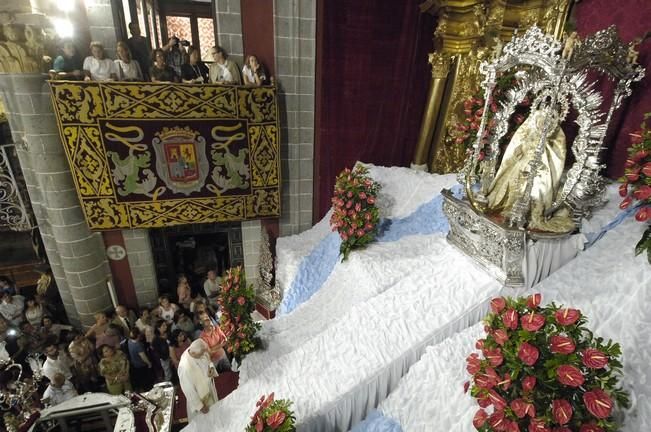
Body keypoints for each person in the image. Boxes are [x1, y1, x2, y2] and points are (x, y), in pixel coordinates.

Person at [486, 107, 574, 232]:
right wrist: (523, 149)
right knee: (513, 181)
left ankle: (529, 213)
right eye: (541, 122)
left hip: (542, 168)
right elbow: (519, 143)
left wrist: (544, 154)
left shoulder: (555, 135)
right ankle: (509, 206)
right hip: (524, 162)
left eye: (547, 123)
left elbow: (558, 154)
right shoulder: (530, 130)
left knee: (539, 188)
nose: (543, 125)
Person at [178, 339, 218, 421]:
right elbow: (188, 390)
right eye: (201, 354)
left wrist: (211, 367)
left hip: (209, 389)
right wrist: (200, 406)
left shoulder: (197, 348)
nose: (203, 354)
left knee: (214, 415)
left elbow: (207, 357)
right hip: (200, 397)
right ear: (193, 353)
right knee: (203, 421)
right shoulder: (184, 367)